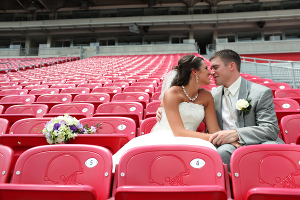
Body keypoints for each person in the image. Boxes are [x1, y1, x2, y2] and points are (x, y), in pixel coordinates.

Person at [157, 49, 285, 172]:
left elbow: (270, 128)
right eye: (209, 68)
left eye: (215, 67)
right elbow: (183, 104)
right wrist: (163, 108)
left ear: (231, 66)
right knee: (222, 152)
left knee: (272, 148)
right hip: (225, 144)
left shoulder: (260, 92)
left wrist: (237, 134)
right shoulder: (212, 95)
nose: (211, 72)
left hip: (257, 141)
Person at [112, 54, 235, 172]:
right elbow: (178, 132)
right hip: (169, 136)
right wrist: (216, 138)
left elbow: (214, 130)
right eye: (206, 68)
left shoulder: (206, 95)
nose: (210, 72)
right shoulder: (172, 93)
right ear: (195, 72)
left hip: (193, 138)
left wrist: (226, 138)